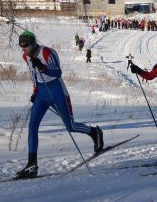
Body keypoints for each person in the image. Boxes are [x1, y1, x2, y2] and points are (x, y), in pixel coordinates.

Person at [15, 30, 104, 179]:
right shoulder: (26, 56)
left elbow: (57, 72)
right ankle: (32, 164)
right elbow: (32, 74)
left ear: (33, 43)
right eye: (21, 46)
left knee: (71, 126)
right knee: (32, 126)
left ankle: (94, 132)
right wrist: (35, 90)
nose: (23, 48)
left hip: (56, 91)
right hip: (42, 93)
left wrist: (42, 67)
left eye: (25, 45)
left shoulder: (47, 52)